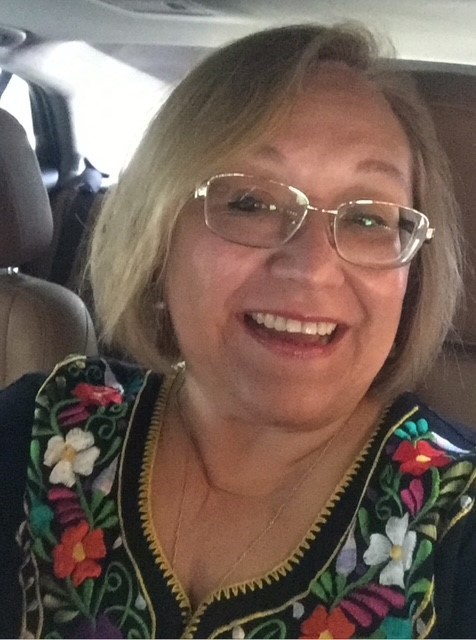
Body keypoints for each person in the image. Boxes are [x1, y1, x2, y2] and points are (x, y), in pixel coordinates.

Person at [2, 22, 476, 640]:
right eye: (251, 203)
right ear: (159, 234)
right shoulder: (39, 427)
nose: (310, 269)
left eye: (366, 218)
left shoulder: (457, 520)